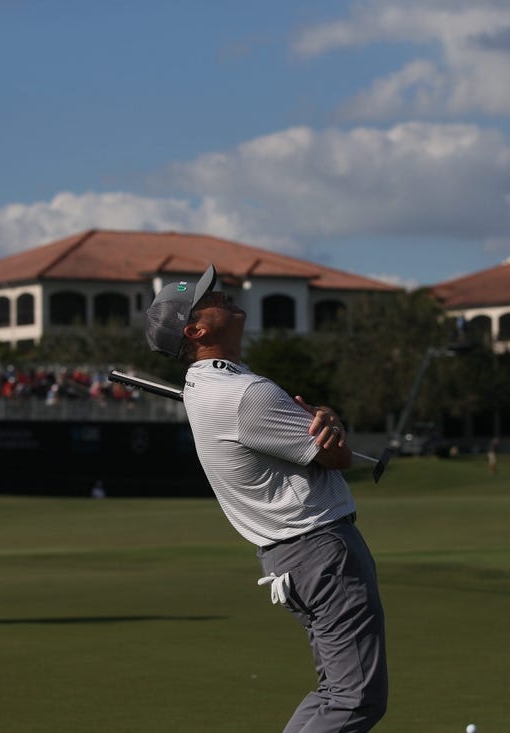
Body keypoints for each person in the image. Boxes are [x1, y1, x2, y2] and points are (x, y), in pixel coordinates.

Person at [145, 266, 387, 732]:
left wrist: (322, 423)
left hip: (290, 557)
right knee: (356, 699)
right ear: (195, 330)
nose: (221, 294)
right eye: (207, 298)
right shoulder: (246, 393)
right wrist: (329, 419)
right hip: (321, 550)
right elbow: (334, 458)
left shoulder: (217, 386)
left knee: (335, 693)